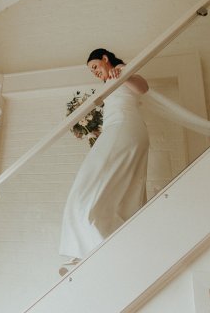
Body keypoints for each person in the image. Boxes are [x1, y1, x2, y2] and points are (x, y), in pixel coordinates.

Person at [59, 48, 150, 274]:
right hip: (118, 130)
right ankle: (98, 247)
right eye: (92, 71)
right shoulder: (109, 81)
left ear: (105, 59)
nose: (95, 72)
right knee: (114, 194)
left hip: (125, 128)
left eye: (95, 67)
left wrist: (123, 75)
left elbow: (143, 87)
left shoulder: (121, 70)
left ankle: (93, 248)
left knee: (87, 188)